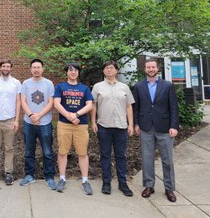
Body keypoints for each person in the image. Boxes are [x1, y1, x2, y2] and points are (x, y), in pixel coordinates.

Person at [133, 58, 179, 203]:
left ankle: (169, 188)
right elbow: (136, 107)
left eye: (153, 67)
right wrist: (136, 123)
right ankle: (148, 186)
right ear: (145, 69)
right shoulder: (139, 86)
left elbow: (173, 108)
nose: (151, 69)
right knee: (147, 158)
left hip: (165, 128)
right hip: (146, 127)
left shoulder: (168, 86)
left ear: (157, 68)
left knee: (167, 160)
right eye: (148, 67)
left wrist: (174, 126)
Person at [91, 60, 135, 197]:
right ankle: (106, 183)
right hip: (104, 126)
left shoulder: (124, 87)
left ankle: (123, 183)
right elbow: (93, 106)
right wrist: (93, 122)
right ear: (104, 71)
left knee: (121, 156)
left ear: (116, 70)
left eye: (111, 68)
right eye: (106, 68)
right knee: (105, 155)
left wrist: (131, 124)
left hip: (121, 127)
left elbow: (129, 106)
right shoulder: (98, 87)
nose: (109, 70)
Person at [54, 62, 94, 194]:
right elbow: (57, 103)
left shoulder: (84, 88)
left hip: (81, 125)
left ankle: (85, 181)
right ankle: (62, 179)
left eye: (75, 70)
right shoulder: (60, 87)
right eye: (70, 70)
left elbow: (89, 105)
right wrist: (70, 117)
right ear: (67, 72)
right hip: (64, 124)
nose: (73, 72)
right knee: (62, 152)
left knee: (82, 153)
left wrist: (76, 115)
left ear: (78, 73)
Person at [19, 59, 56, 190]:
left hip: (44, 122)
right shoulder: (26, 83)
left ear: (43, 69)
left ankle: (49, 176)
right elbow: (23, 101)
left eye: (38, 67)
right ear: (30, 69)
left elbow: (51, 102)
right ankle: (29, 175)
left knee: (47, 151)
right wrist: (31, 115)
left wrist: (39, 115)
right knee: (29, 151)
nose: (36, 69)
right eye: (34, 67)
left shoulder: (48, 83)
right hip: (29, 122)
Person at [0, 59, 21, 186]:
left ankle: (8, 173)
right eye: (3, 66)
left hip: (10, 120)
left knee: (9, 148)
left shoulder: (16, 83)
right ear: (0, 68)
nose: (6, 68)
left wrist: (17, 120)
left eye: (8, 66)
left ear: (11, 68)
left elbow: (18, 102)